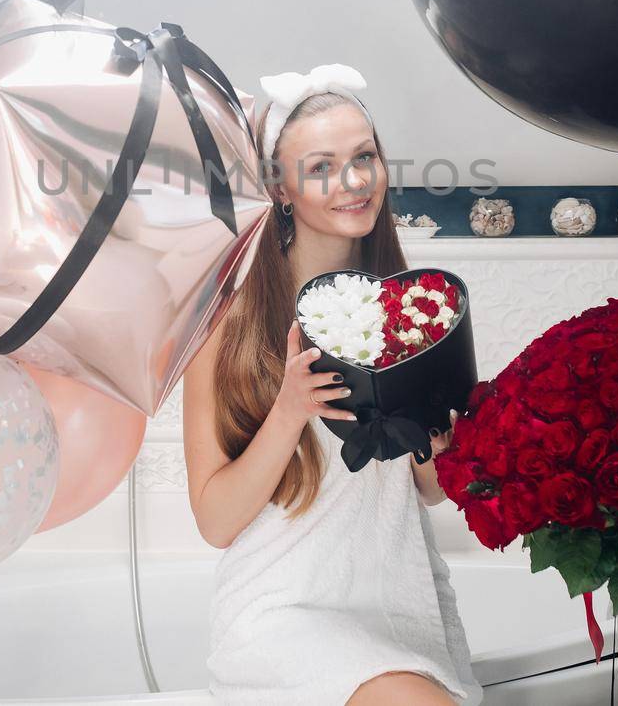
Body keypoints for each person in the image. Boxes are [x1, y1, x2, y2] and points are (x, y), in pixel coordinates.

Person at [182, 64, 483, 706]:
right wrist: (291, 408)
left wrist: (445, 435)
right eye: (320, 167)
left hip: (399, 598)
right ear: (281, 188)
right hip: (282, 609)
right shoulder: (227, 320)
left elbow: (427, 491)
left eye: (364, 157)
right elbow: (214, 520)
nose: (352, 183)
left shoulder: (410, 305)